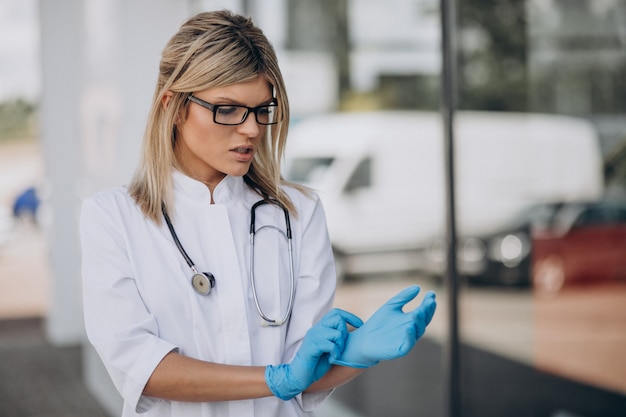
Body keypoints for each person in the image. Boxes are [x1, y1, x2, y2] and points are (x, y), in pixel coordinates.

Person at [79, 10, 437, 417]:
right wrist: (275, 379)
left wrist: (354, 355)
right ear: (174, 107)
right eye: (228, 109)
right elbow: (141, 367)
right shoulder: (113, 219)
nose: (251, 129)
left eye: (261, 109)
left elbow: (306, 372)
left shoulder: (300, 214)